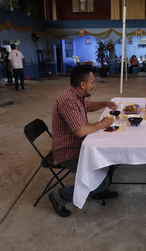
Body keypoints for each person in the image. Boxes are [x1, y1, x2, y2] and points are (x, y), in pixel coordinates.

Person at [49, 65, 118, 217]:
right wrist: (102, 124)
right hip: (68, 152)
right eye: (92, 82)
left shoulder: (76, 95)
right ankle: (60, 196)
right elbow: (80, 131)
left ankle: (99, 192)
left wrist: (105, 103)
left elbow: (89, 106)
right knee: (102, 181)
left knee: (110, 155)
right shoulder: (68, 100)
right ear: (83, 84)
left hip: (79, 145)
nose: (94, 85)